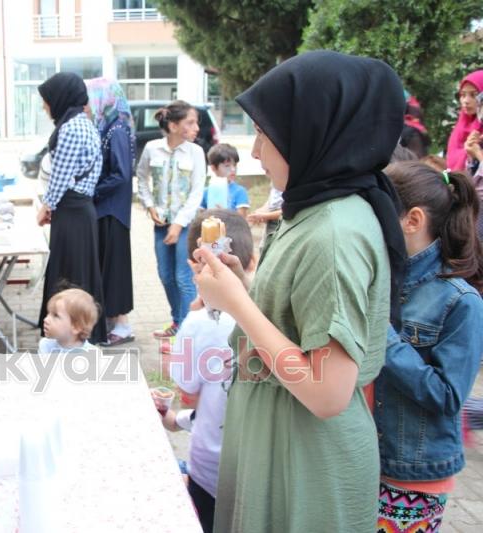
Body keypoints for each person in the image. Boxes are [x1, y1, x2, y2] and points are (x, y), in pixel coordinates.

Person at [193, 50, 407, 532]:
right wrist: (243, 285)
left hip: (304, 460)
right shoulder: (315, 209)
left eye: (266, 135)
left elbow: (326, 391)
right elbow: (299, 319)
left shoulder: (334, 233)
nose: (253, 152)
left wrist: (238, 305)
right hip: (283, 444)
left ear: (313, 131)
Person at [373, 162, 483, 532]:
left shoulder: (460, 301)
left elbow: (448, 395)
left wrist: (383, 336)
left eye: (378, 212)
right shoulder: (383, 278)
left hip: (414, 473)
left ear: (413, 220)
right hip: (369, 459)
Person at [160, 208, 255, 533]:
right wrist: (177, 422)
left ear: (192, 268)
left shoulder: (197, 324)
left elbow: (189, 394)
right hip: (258, 470)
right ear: (251, 262)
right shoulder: (267, 315)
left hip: (210, 468)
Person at [36, 72, 107, 344]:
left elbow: (61, 176)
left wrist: (46, 206)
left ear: (60, 97)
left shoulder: (69, 128)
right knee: (81, 270)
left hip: (72, 211)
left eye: (47, 100)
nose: (45, 106)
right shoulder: (84, 123)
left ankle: (65, 333)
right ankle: (82, 331)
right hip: (79, 210)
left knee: (68, 272)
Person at [136, 100, 206, 341]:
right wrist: (149, 206)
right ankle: (178, 321)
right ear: (174, 126)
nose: (197, 127)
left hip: (185, 225)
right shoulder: (152, 148)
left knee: (183, 277)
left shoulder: (196, 152)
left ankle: (189, 332)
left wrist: (179, 224)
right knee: (165, 275)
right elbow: (142, 179)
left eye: (196, 122)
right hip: (160, 224)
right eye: (191, 122)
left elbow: (197, 192)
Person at [86, 77, 136, 346]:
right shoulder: (110, 125)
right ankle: (113, 322)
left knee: (114, 269)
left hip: (112, 211)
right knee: (109, 267)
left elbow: (122, 174)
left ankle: (122, 325)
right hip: (108, 209)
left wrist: (92, 191)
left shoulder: (116, 129)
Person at [38, 288, 99, 353]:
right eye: (48, 313)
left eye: (55, 315)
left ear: (76, 327)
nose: (46, 319)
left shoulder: (91, 354)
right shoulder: (45, 345)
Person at [446, 69, 483, 171]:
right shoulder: (460, 128)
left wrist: (477, 154)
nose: (466, 101)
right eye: (463, 95)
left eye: (474, 95)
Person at [200, 144, 250, 218]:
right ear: (213, 168)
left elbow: (242, 220)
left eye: (235, 165)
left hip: (233, 229)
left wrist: (225, 214)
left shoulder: (239, 191)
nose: (233, 169)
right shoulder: (206, 192)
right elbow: (199, 218)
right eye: (227, 166)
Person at [247, 185, 283, 250]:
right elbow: (270, 202)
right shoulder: (275, 184)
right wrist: (259, 212)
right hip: (269, 226)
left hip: (281, 224)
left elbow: (289, 210)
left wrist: (266, 216)